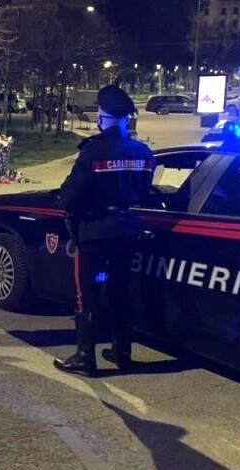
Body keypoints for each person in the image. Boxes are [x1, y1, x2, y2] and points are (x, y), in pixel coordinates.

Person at [53, 85, 155, 377]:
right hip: (128, 231)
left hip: (95, 232)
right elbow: (145, 191)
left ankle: (85, 357)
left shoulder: (93, 152)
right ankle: (122, 352)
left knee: (87, 295)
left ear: (102, 116)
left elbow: (72, 197)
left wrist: (69, 207)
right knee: (122, 291)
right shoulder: (144, 153)